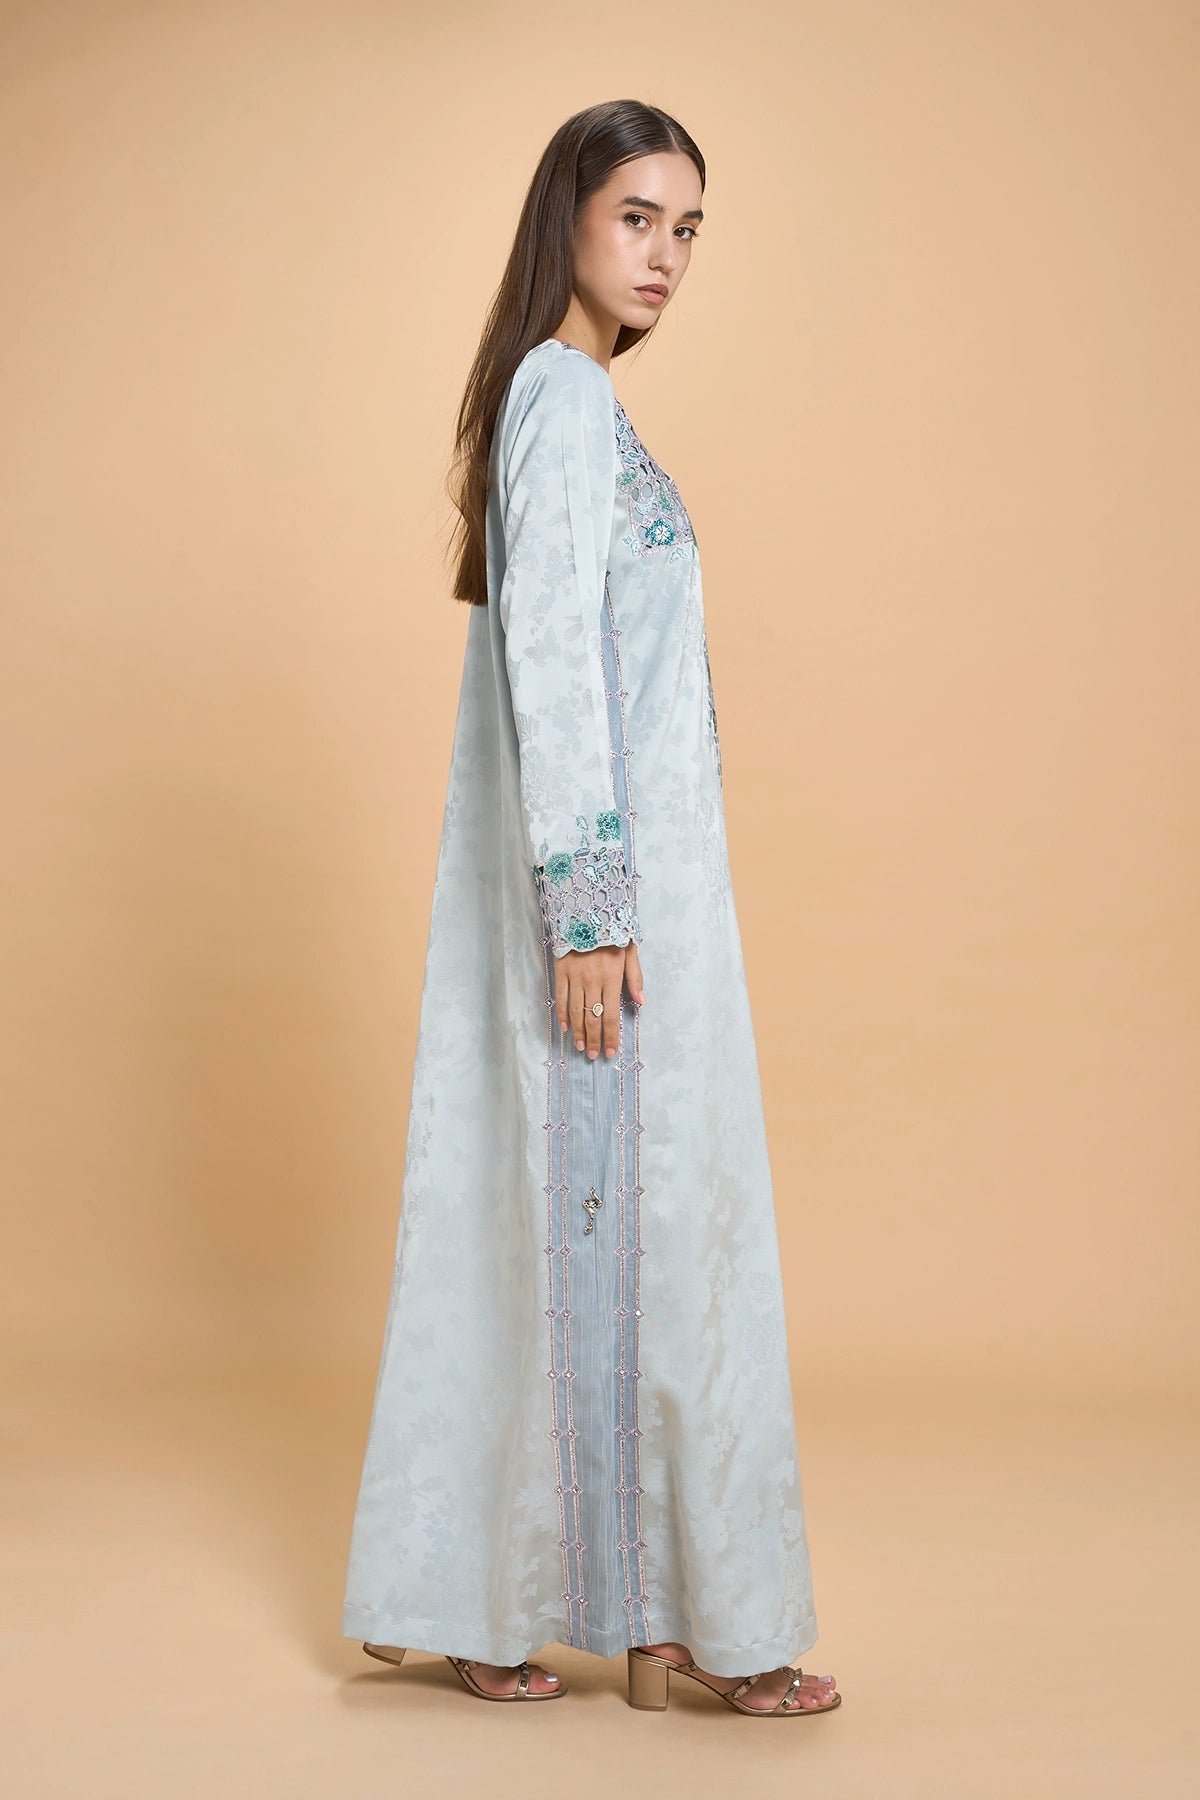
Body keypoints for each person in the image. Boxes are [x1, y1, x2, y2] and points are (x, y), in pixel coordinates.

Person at [341, 98, 842, 1720]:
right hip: (610, 918)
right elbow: (550, 661)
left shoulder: (579, 405)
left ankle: (647, 1611)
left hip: (646, 900)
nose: (666, 255)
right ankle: (638, 1616)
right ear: (566, 212)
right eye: (638, 216)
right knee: (614, 1231)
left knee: (627, 1235)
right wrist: (593, 910)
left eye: (687, 229)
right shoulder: (559, 397)